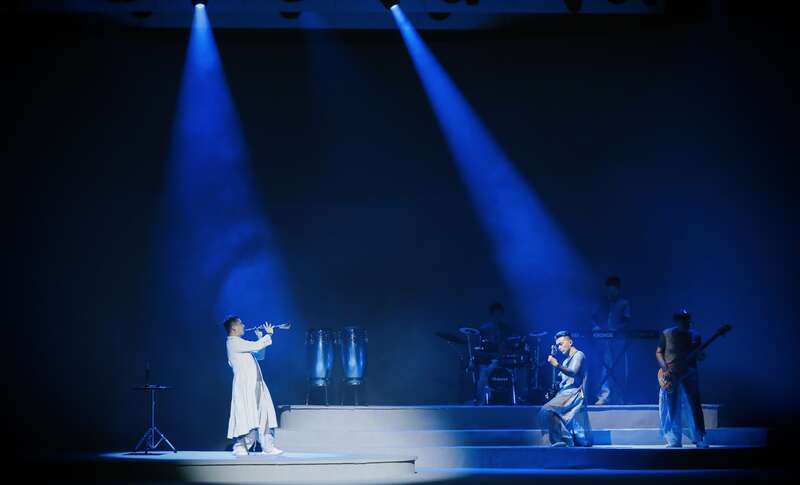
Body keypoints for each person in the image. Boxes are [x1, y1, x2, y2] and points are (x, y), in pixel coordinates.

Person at [224, 315, 283, 456]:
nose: (244, 326)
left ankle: (268, 447)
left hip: (256, 384)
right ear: (234, 328)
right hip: (244, 386)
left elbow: (259, 354)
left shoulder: (241, 343)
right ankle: (241, 447)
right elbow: (256, 346)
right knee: (246, 415)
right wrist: (268, 335)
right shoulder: (233, 343)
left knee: (264, 413)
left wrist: (260, 337)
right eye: (241, 324)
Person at [656, 309, 709, 448]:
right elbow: (659, 352)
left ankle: (699, 437)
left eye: (686, 319)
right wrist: (665, 368)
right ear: (676, 320)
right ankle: (674, 439)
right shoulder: (667, 333)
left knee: (694, 405)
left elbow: (700, 355)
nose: (685, 322)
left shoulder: (695, 335)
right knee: (671, 405)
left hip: (689, 373)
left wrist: (701, 355)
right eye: (681, 319)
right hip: (671, 374)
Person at [539, 331, 592, 447]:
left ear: (570, 342)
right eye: (557, 345)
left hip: (575, 393)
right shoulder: (565, 361)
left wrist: (557, 365)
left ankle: (565, 441)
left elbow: (573, 372)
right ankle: (563, 441)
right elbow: (561, 380)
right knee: (550, 414)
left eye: (561, 344)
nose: (559, 347)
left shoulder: (579, 355)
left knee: (546, 410)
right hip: (564, 394)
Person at [591, 275, 631, 405]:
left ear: (617, 290)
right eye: (608, 291)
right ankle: (605, 395)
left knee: (619, 368)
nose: (610, 293)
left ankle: (619, 397)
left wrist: (615, 329)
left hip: (619, 340)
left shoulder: (624, 303)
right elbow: (593, 318)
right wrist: (597, 328)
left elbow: (627, 322)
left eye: (612, 290)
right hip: (605, 340)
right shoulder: (603, 304)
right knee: (606, 367)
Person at [475, 302, 515, 404]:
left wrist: (503, 355)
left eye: (500, 314)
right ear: (492, 314)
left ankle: (510, 399)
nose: (498, 316)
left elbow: (508, 344)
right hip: (487, 360)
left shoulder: (506, 329)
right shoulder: (484, 329)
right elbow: (480, 347)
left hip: (502, 360)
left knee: (513, 374)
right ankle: (480, 400)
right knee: (483, 377)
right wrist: (489, 356)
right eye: (496, 313)